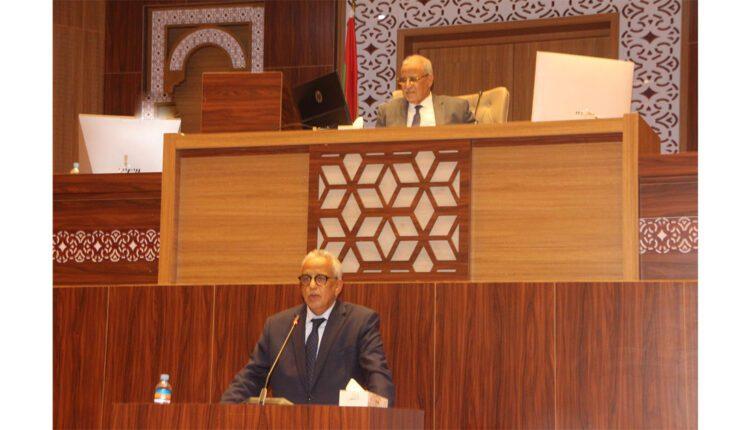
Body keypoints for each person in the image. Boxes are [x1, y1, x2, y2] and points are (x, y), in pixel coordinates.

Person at [220, 249, 395, 406]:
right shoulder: (277, 327)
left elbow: (377, 374)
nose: (311, 286)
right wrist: (223, 412)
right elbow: (250, 378)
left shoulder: (360, 322)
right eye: (306, 279)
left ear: (338, 286)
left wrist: (381, 416)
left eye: (320, 279)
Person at [375, 54, 474, 127]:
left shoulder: (457, 108)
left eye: (413, 79)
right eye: (403, 80)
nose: (407, 86)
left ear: (429, 81)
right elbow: (377, 146)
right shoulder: (387, 112)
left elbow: (476, 139)